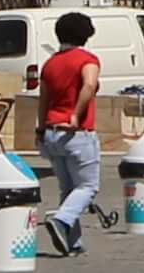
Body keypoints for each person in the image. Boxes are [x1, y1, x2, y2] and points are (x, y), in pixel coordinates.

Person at [35, 13, 103, 256]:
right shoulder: (88, 59)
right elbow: (89, 84)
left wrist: (41, 127)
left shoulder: (50, 63)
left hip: (52, 131)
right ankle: (61, 220)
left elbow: (43, 99)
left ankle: (71, 242)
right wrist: (76, 115)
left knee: (68, 188)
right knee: (87, 186)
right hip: (77, 132)